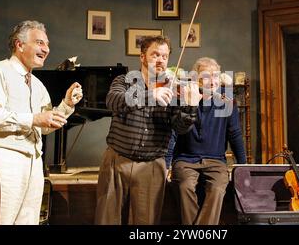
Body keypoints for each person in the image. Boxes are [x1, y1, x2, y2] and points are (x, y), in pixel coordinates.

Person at [0, 20, 83, 225]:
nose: (46, 49)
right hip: (2, 160)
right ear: (19, 44)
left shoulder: (38, 84)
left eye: (47, 44)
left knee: (28, 220)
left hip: (33, 163)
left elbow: (44, 126)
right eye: (40, 43)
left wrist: (66, 105)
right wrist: (32, 119)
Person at [95, 35, 202, 225]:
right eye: (155, 54)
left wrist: (190, 108)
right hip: (117, 160)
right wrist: (150, 95)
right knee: (107, 219)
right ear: (142, 57)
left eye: (164, 56)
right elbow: (114, 102)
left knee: (146, 223)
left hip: (152, 165)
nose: (160, 60)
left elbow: (180, 127)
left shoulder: (173, 89)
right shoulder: (125, 81)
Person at [166, 57, 247, 225]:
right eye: (206, 76)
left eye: (216, 76)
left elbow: (235, 135)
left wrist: (243, 165)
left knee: (217, 189)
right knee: (184, 187)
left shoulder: (227, 102)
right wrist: (166, 164)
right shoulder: (184, 100)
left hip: (216, 160)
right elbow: (173, 133)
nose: (212, 81)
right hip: (185, 160)